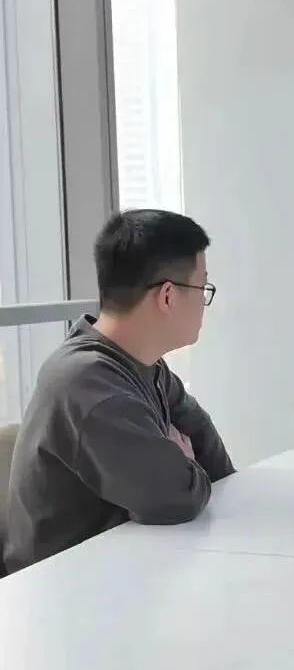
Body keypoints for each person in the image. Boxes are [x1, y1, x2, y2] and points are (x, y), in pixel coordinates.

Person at [3, 209, 234, 574]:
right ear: (168, 296)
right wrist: (184, 463)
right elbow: (177, 497)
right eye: (202, 288)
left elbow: (216, 464)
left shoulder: (144, 365)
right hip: (61, 590)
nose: (205, 303)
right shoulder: (87, 384)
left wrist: (182, 461)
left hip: (124, 568)